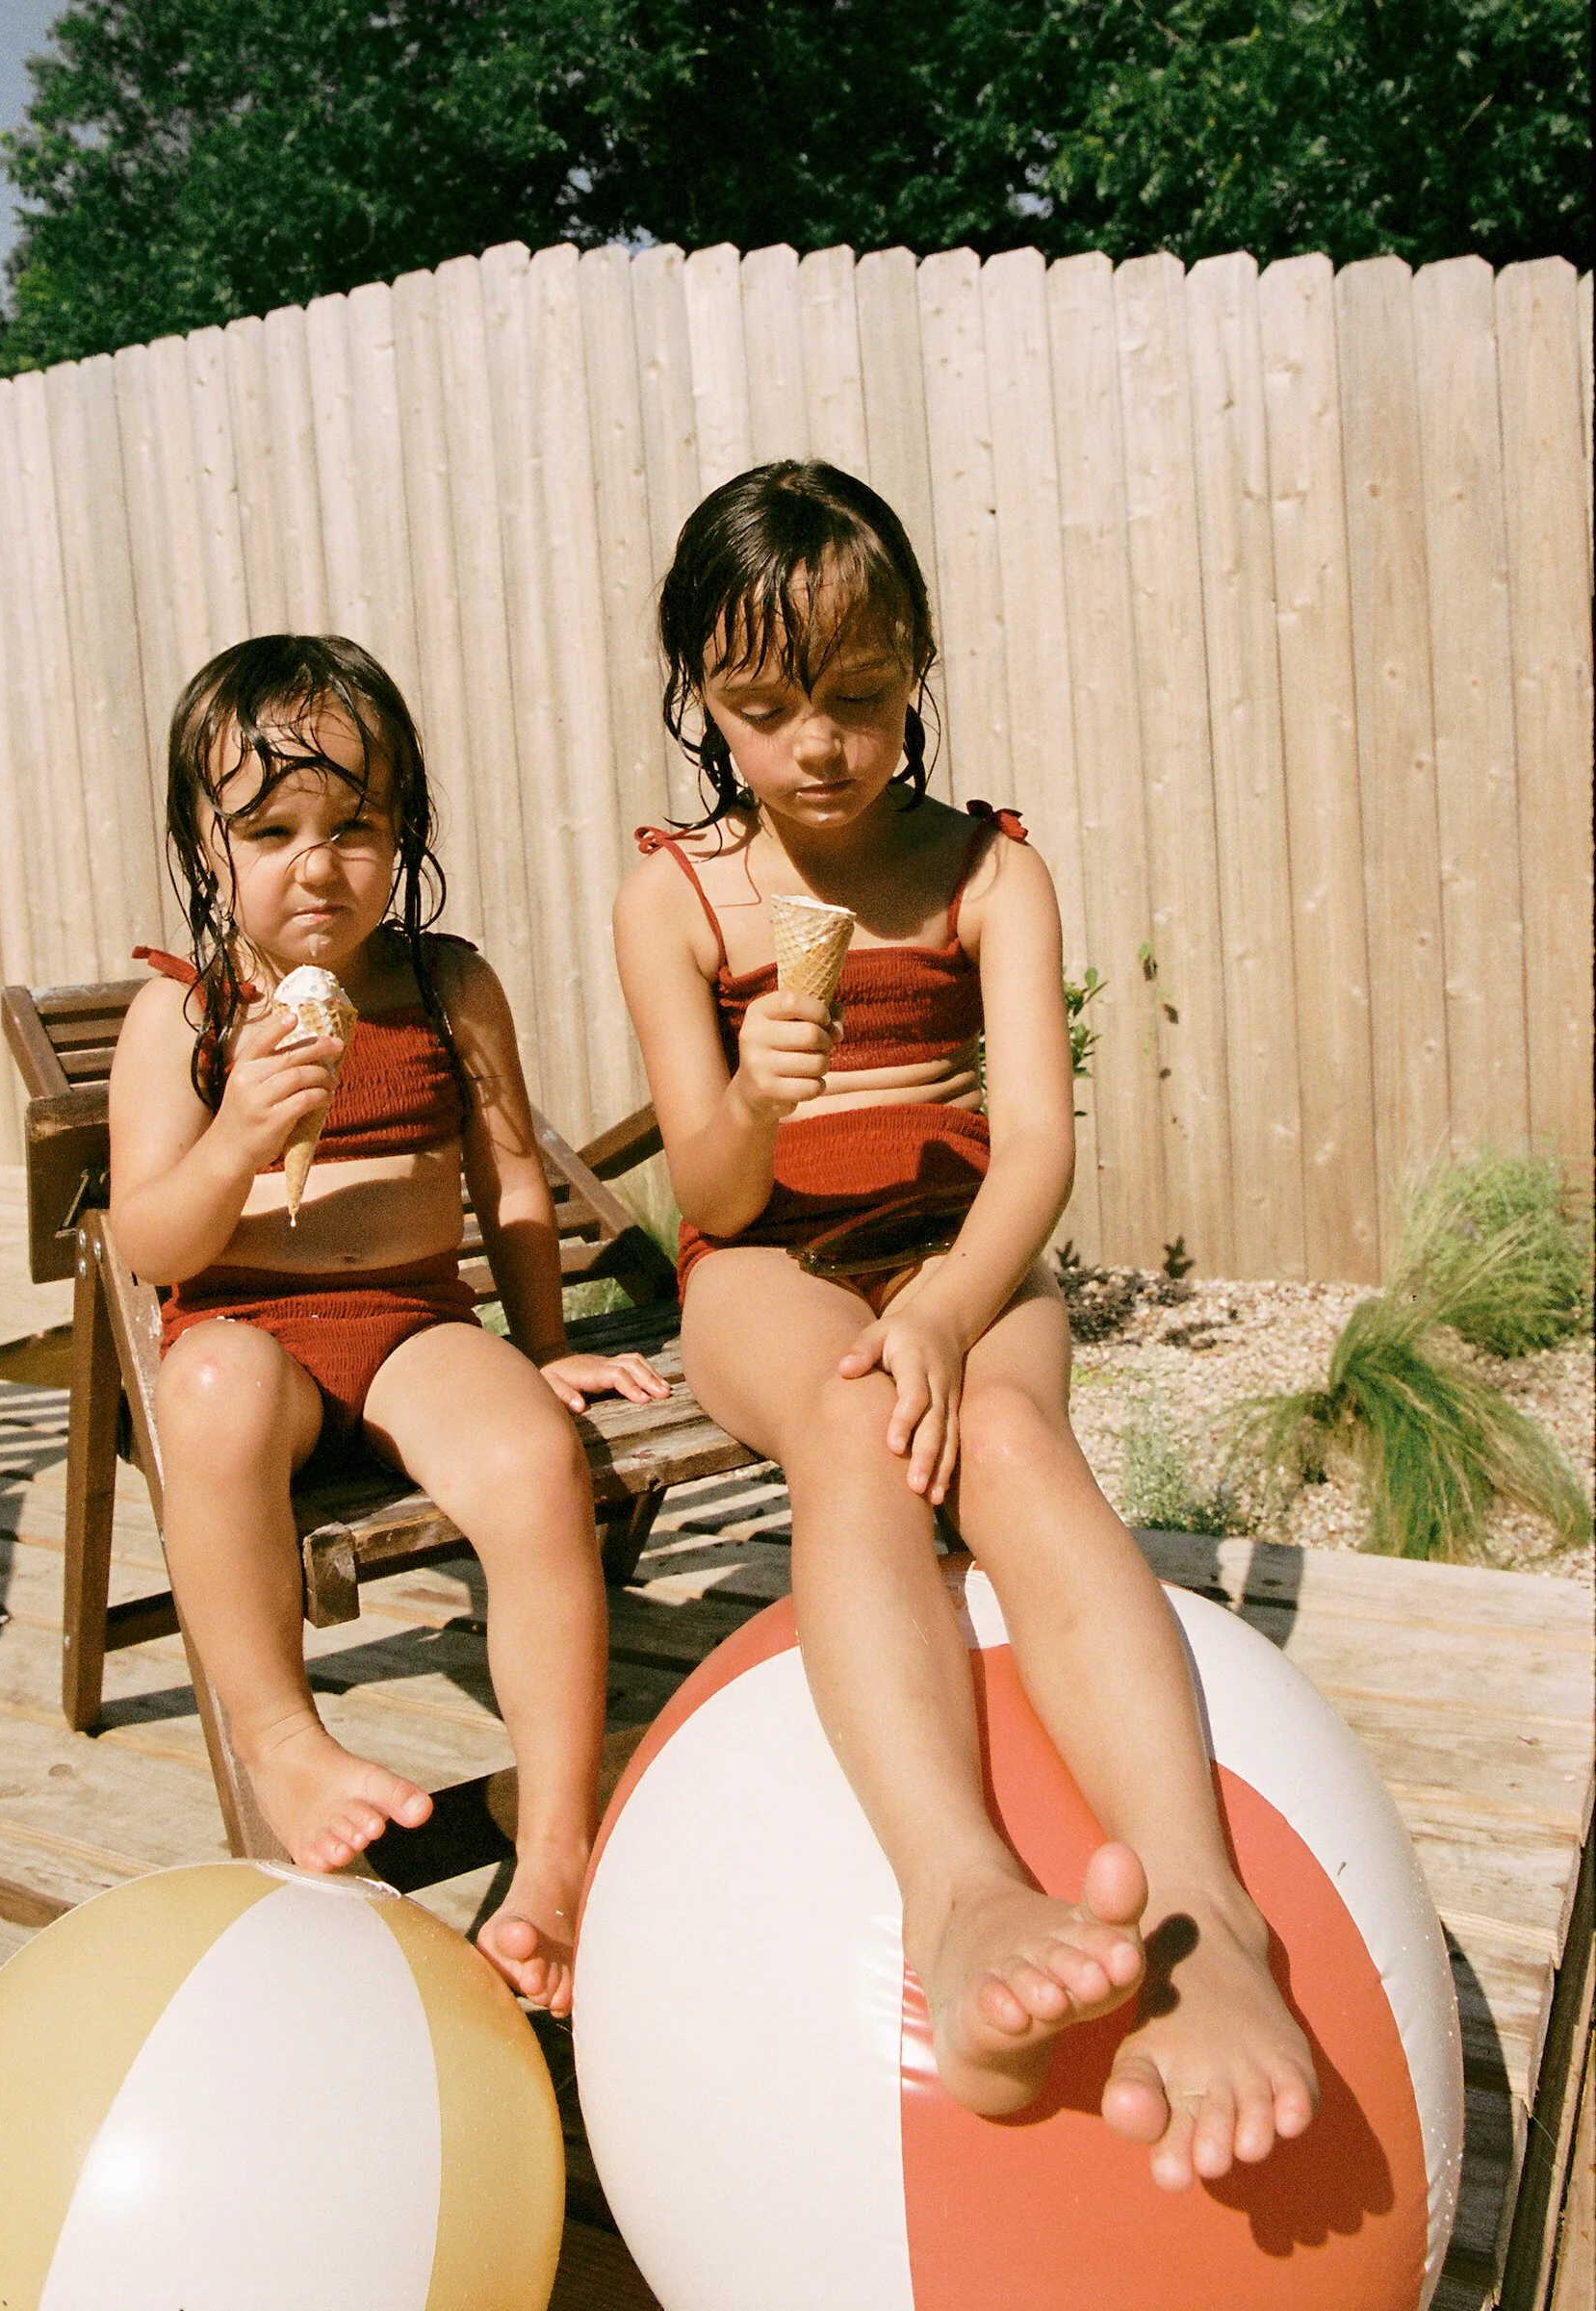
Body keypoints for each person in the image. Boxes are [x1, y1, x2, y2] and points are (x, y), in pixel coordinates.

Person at [612, 461, 1318, 2188]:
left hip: (963, 1240)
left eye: (856, 700)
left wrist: (943, 1306)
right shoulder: (677, 898)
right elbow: (702, 1189)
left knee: (1003, 1433)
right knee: (856, 1425)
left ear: (917, 661)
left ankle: (1209, 1911)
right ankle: (960, 1892)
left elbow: (1041, 1148)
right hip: (762, 1261)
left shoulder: (989, 875)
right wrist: (755, 1100)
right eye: (766, 709)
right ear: (703, 694)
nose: (818, 748)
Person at [110, 633, 665, 2016]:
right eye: (272, 829)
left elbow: (511, 1178)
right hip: (251, 1331)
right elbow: (147, 1241)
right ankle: (283, 1738)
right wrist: (237, 1131)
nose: (318, 863)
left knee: (537, 1462)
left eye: (355, 825)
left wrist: (542, 1348)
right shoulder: (182, 1013)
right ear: (205, 843)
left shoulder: (445, 986)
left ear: (406, 825)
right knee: (210, 1396)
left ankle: (555, 1850)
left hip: (416, 1324)